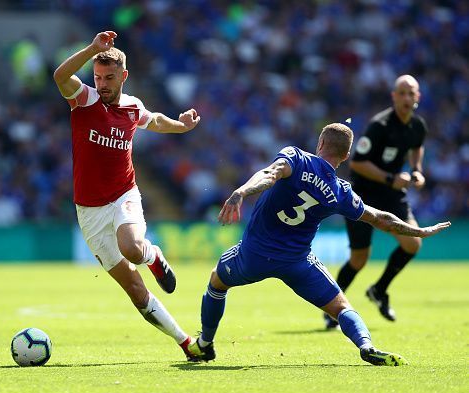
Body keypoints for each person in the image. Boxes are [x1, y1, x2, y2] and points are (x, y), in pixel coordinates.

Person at [187, 123, 450, 365]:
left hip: (254, 256)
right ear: (346, 156)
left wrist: (241, 192)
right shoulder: (340, 192)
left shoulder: (296, 158)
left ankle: (205, 344)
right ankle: (366, 345)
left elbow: (270, 174)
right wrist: (418, 230)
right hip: (297, 263)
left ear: (320, 142)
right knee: (341, 308)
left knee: (216, 281)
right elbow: (380, 219)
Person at [53, 31, 201, 360]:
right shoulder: (85, 100)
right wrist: (92, 48)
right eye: (98, 77)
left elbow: (154, 120)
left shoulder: (132, 107)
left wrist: (181, 126)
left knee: (132, 249)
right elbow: (60, 76)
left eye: (108, 78)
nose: (102, 84)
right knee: (135, 291)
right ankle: (186, 342)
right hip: (89, 212)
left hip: (123, 195)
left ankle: (151, 256)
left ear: (124, 76)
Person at [325, 75, 428, 329]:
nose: (406, 98)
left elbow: (417, 147)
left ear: (418, 97)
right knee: (359, 258)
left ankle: (379, 290)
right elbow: (357, 162)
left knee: (413, 243)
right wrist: (391, 177)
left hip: (393, 196)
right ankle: (331, 309)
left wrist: (417, 170)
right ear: (393, 96)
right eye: (401, 93)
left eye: (410, 93)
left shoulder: (418, 126)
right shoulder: (379, 126)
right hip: (364, 196)